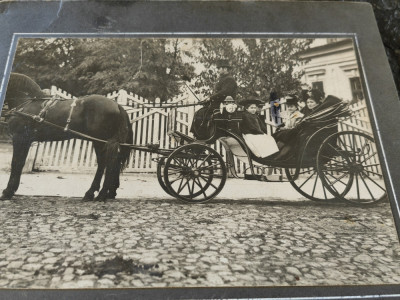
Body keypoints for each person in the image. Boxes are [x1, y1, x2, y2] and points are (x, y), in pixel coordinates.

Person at [190, 59, 238, 139]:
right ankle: (198, 135)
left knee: (201, 113)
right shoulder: (222, 79)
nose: (218, 70)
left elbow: (224, 92)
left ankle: (202, 136)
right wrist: (207, 100)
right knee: (199, 113)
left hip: (224, 106)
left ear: (225, 69)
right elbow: (218, 93)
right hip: (218, 104)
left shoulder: (229, 79)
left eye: (219, 68)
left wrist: (210, 98)